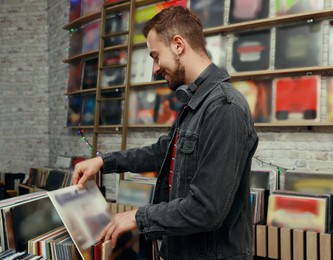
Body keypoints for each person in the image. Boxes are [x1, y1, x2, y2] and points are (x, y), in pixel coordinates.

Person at [72, 5, 258, 260]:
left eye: (156, 56)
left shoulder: (225, 108)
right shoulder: (196, 103)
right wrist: (104, 161)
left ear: (178, 44)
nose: (156, 68)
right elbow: (163, 152)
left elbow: (206, 209)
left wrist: (138, 217)